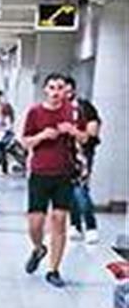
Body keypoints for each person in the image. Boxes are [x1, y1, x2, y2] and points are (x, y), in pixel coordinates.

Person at [20, 72, 84, 288]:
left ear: (66, 90)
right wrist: (42, 136)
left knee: (59, 220)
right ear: (45, 90)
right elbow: (25, 141)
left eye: (60, 88)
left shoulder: (73, 111)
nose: (56, 92)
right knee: (35, 223)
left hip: (64, 173)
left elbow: (86, 137)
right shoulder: (35, 112)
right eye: (52, 87)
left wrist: (73, 131)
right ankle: (39, 249)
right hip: (39, 172)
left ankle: (54, 270)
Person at [64, 76, 102, 244]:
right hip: (62, 155)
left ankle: (91, 226)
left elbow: (92, 132)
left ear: (72, 89)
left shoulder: (84, 107)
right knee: (69, 190)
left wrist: (75, 132)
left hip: (81, 155)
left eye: (66, 89)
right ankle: (75, 224)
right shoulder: (56, 109)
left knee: (80, 189)